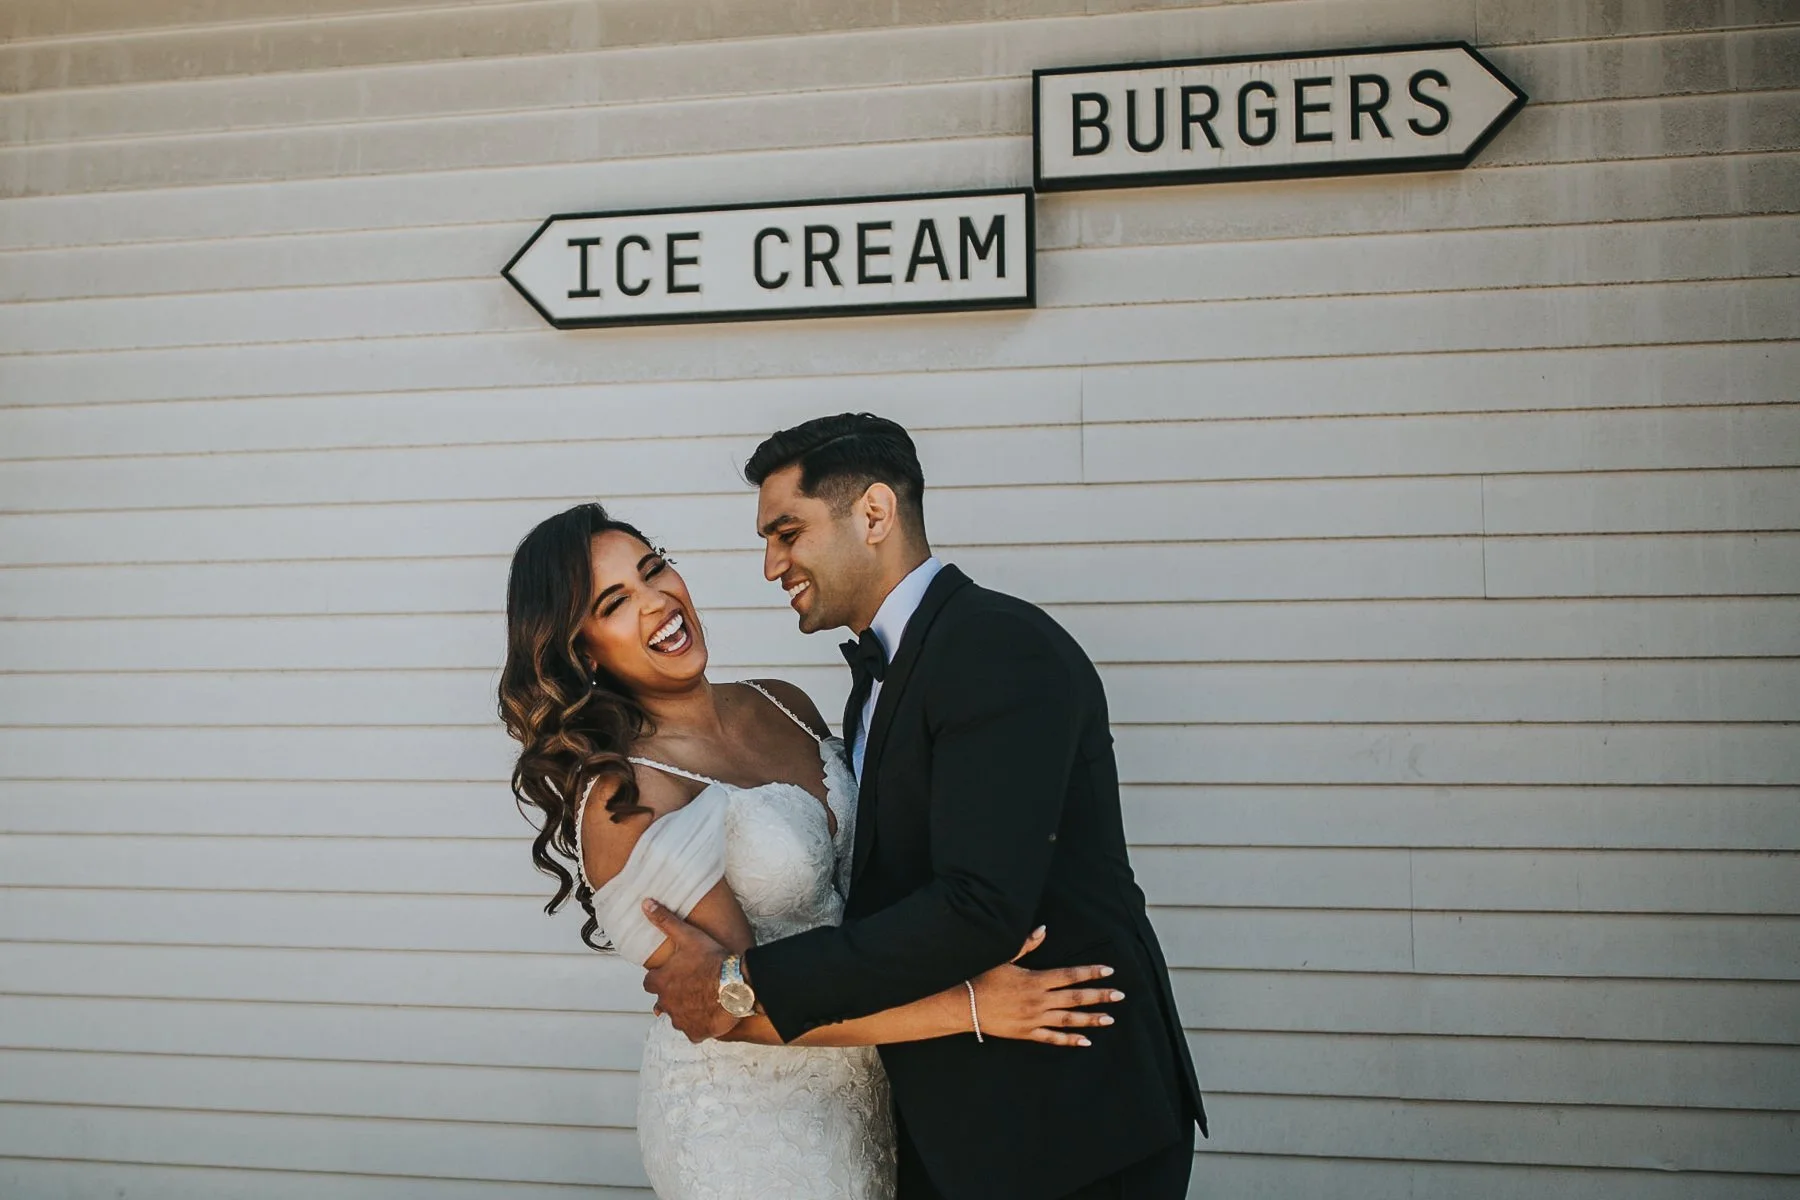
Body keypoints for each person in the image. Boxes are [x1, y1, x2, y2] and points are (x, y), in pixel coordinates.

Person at [641, 414, 1207, 1199]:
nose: (772, 565)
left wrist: (747, 983)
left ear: (874, 514)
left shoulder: (996, 647)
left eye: (786, 532)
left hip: (1066, 1124)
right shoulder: (878, 682)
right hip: (952, 1124)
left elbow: (979, 907)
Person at [497, 501, 1122, 1200]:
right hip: (752, 1123)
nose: (658, 602)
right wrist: (973, 1005)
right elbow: (731, 1012)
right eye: (616, 602)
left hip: (874, 1088)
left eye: (654, 569)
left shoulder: (782, 702)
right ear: (583, 651)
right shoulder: (624, 792)